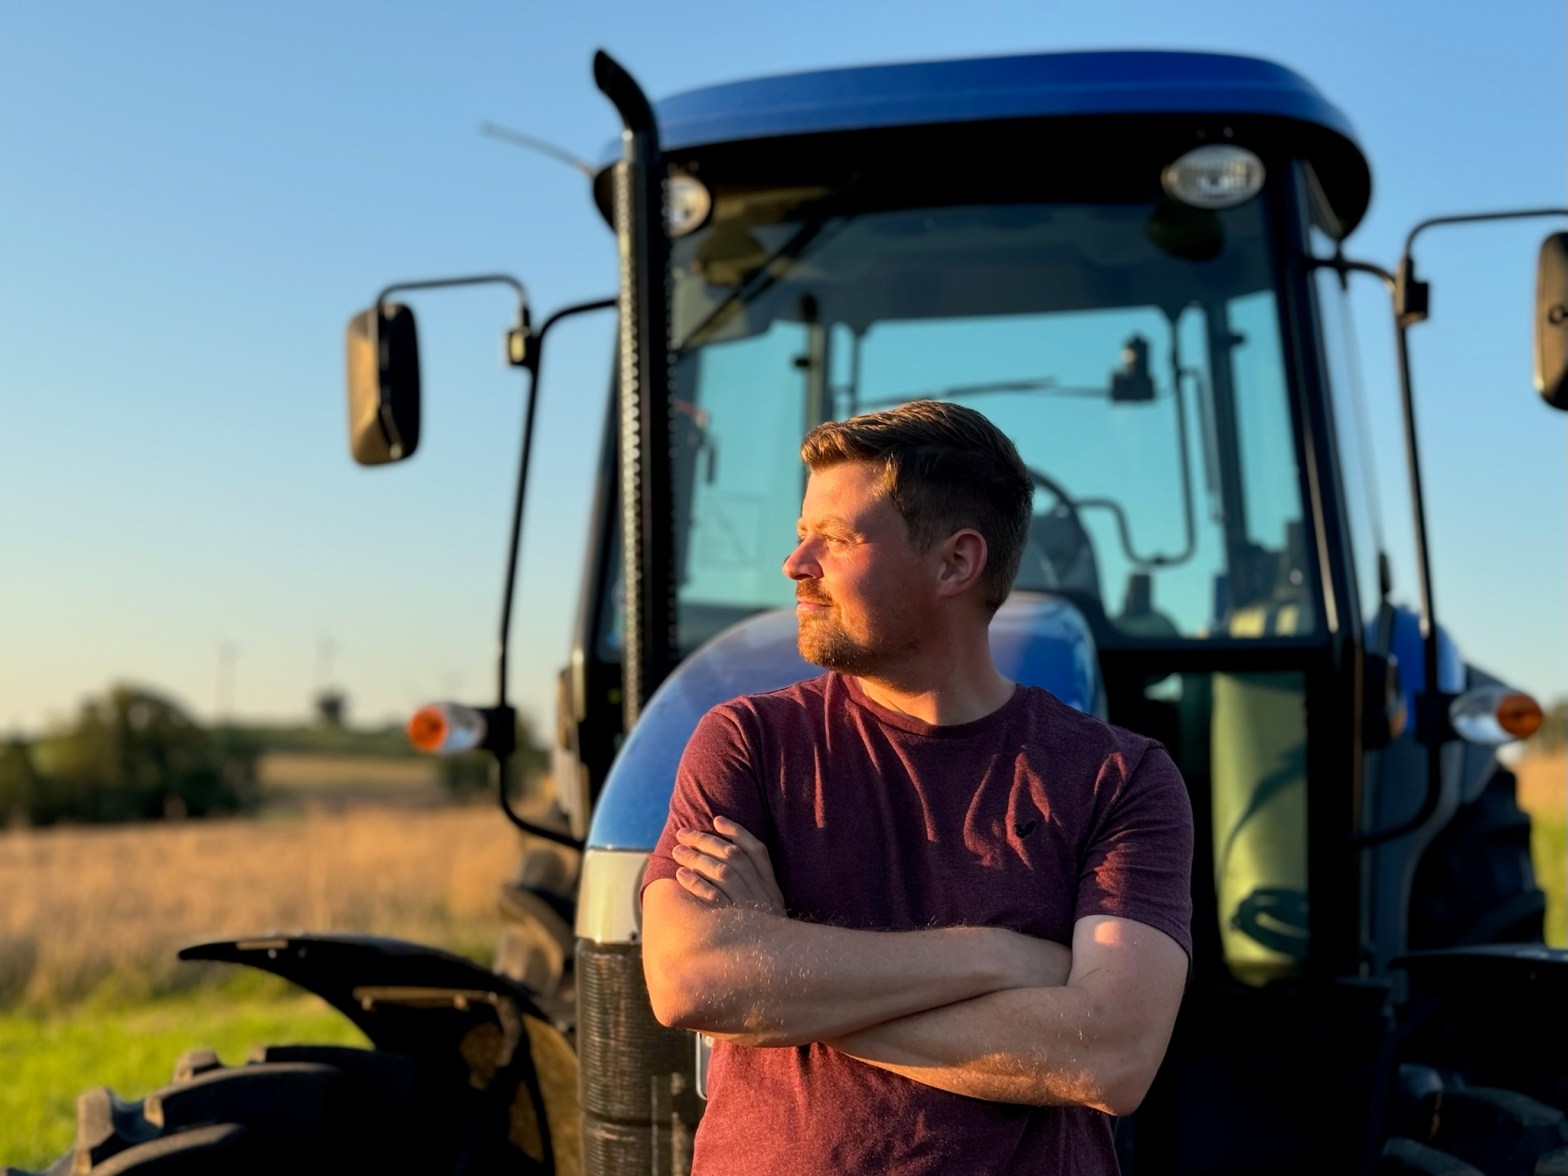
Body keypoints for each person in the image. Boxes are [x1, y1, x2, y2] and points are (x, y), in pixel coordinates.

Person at [640, 399, 1193, 1175]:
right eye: (802, 534)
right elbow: (691, 979)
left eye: (836, 539)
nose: (796, 564)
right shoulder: (747, 741)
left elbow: (1109, 1055)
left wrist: (780, 978)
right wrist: (999, 957)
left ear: (955, 564)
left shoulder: (1118, 777)